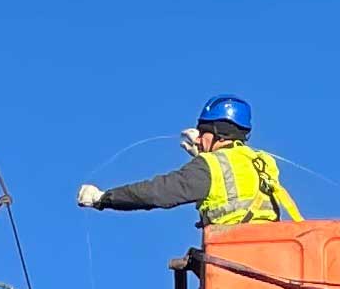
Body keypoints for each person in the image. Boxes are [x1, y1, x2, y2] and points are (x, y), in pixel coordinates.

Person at [74, 94, 304, 226]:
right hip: (270, 256)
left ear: (218, 133)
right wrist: (205, 155)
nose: (198, 139)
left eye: (202, 132)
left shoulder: (210, 167)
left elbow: (157, 193)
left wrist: (104, 198)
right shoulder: (262, 161)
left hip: (234, 258)